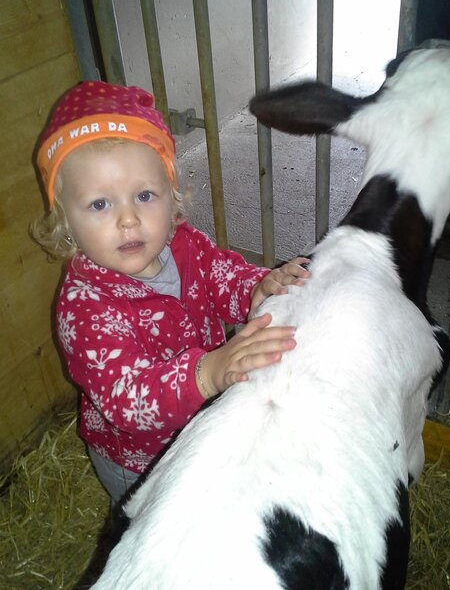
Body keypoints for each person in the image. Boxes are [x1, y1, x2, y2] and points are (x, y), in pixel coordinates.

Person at [32, 81, 309, 505]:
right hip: (141, 461)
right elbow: (128, 399)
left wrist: (257, 288)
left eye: (144, 195)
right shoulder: (83, 308)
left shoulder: (185, 243)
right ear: (65, 220)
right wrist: (208, 373)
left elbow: (223, 276)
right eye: (100, 204)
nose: (128, 219)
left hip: (203, 427)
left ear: (172, 197)